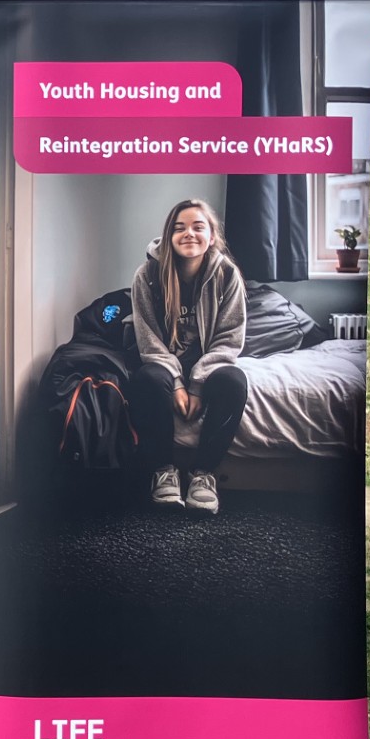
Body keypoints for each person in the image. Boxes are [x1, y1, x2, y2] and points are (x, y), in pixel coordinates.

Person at [129, 197, 248, 517]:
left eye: (199, 227)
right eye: (179, 228)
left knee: (234, 381)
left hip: (208, 359)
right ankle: (163, 471)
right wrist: (178, 383)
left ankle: (203, 475)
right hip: (163, 359)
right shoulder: (147, 276)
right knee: (147, 380)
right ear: (169, 236)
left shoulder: (227, 274)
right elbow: (148, 339)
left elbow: (229, 338)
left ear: (212, 236)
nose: (189, 234)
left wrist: (197, 383)